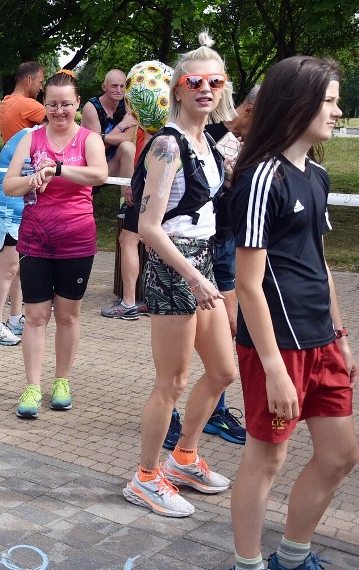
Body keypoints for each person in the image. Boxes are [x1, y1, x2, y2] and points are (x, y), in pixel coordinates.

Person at [229, 56, 358, 570]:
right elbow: (247, 283)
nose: (337, 110)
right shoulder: (262, 177)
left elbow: (318, 261)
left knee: (340, 455)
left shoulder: (318, 175)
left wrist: (341, 333)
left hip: (322, 340)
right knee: (267, 460)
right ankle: (248, 563)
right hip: (275, 346)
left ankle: (293, 554)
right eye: (328, 101)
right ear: (297, 103)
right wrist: (276, 370)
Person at [122, 32, 237, 518]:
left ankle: (185, 457)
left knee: (223, 371)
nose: (205, 88)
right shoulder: (167, 145)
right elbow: (149, 228)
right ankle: (145, 477)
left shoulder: (208, 140)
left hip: (202, 259)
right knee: (172, 380)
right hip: (176, 267)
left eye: (215, 80)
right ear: (178, 88)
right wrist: (192, 275)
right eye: (194, 80)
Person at [2, 71, 107, 418]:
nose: (59, 111)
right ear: (43, 104)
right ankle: (32, 386)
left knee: (67, 316)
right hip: (35, 239)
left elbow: (99, 175)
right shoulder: (30, 139)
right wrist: (33, 178)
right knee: (34, 316)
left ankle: (62, 381)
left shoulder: (89, 139)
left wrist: (58, 170)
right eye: (52, 104)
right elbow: (9, 185)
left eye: (66, 104)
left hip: (77, 240)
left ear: (77, 103)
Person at [163, 87, 261, 450]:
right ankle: (170, 416)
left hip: (222, 246)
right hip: (191, 253)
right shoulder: (203, 136)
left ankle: (210, 416)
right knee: (178, 357)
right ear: (249, 110)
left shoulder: (237, 142)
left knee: (224, 346)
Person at [83, 69, 143, 320]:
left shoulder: (128, 105)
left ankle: (125, 201)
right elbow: (94, 143)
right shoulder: (90, 107)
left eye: (122, 87)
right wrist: (118, 127)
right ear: (104, 87)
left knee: (128, 147)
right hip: (91, 167)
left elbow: (127, 138)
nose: (119, 91)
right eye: (114, 86)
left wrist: (111, 135)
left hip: (114, 165)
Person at [0, 126, 40, 346]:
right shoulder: (31, 137)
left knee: (19, 269)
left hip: (22, 208)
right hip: (7, 208)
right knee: (8, 269)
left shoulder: (36, 135)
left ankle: (15, 318)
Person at [0, 62, 46, 143]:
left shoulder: (5, 102)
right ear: (29, 80)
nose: (41, 87)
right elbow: (60, 123)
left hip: (11, 154)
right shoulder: (28, 104)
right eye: (40, 82)